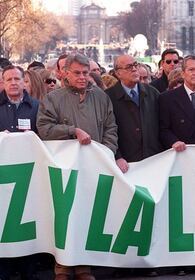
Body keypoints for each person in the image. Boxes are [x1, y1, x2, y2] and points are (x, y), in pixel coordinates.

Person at [37, 54, 118, 280]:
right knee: (65, 217)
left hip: (94, 168)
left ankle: (84, 267)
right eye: (77, 73)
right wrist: (72, 131)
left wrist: (107, 152)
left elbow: (111, 127)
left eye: (86, 73)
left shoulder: (101, 98)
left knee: (89, 216)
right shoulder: (53, 99)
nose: (83, 77)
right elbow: (44, 129)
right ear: (65, 73)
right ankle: (62, 268)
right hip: (65, 170)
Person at [0, 65, 40, 280]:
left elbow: (45, 137)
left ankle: (28, 269)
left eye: (17, 78)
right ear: (3, 83)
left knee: (28, 221)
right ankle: (4, 268)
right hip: (3, 178)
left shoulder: (36, 107)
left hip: (30, 176)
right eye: (9, 79)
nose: (13, 83)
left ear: (25, 82)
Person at [106, 54, 162, 173]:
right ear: (118, 73)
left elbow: (163, 125)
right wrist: (117, 156)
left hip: (153, 160)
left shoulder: (152, 93)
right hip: (125, 164)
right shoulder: (108, 97)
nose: (134, 69)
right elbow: (106, 131)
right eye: (128, 67)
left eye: (135, 65)